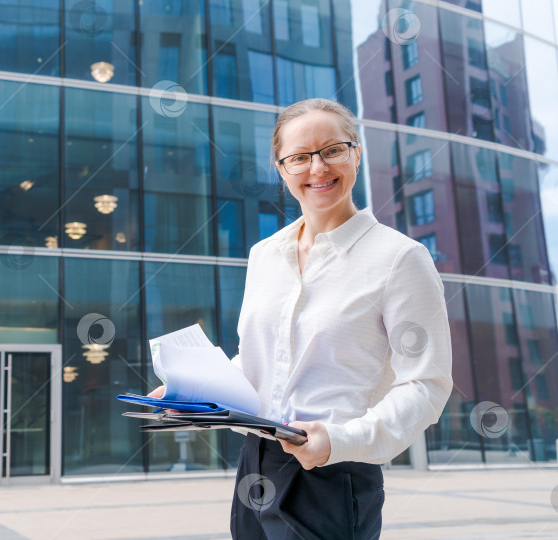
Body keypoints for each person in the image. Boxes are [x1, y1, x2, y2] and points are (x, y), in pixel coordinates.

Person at [150, 98, 452, 539]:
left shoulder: (400, 258)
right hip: (256, 464)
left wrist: (339, 441)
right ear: (281, 168)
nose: (318, 168)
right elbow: (259, 364)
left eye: (333, 150)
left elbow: (426, 386)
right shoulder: (264, 256)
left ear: (356, 154)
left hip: (333, 473)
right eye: (300, 157)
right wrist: (193, 388)